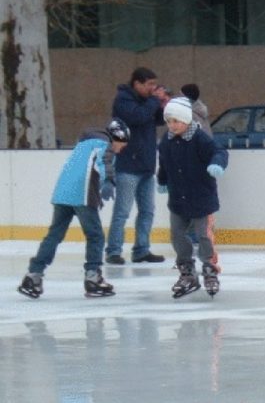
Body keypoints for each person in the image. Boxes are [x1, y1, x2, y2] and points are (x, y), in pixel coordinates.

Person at [17, 119, 131, 299]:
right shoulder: (104, 144)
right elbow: (105, 161)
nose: (121, 149)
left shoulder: (83, 143)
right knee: (95, 236)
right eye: (122, 145)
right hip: (82, 194)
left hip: (63, 193)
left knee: (54, 235)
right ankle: (92, 277)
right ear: (117, 138)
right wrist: (109, 180)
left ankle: (33, 275)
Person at [157, 97, 230, 297]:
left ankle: (209, 269)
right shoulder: (167, 140)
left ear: (187, 120)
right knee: (177, 235)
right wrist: (162, 180)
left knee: (204, 235)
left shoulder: (199, 138)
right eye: (169, 122)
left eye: (176, 121)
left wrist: (217, 164)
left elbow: (219, 151)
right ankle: (187, 271)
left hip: (201, 198)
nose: (172, 126)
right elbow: (164, 163)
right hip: (178, 199)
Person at [105, 67, 167, 264]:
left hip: (147, 165)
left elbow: (157, 120)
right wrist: (154, 101)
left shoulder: (147, 102)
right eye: (149, 84)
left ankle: (141, 249)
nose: (152, 88)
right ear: (137, 84)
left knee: (147, 211)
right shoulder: (123, 100)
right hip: (128, 165)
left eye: (154, 85)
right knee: (122, 211)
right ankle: (113, 251)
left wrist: (162, 105)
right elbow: (138, 117)